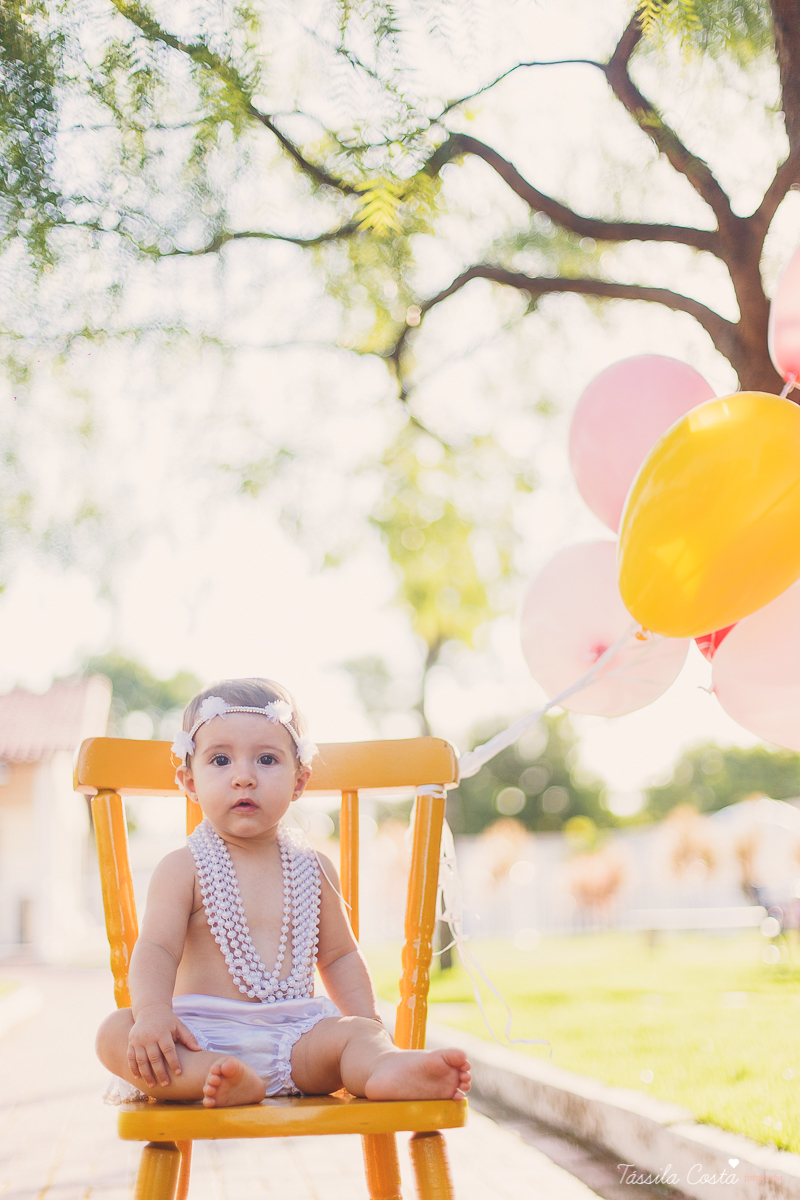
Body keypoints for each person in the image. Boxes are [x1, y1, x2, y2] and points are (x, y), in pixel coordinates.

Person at [96, 678, 471, 1108]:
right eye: (220, 759)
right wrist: (153, 1013)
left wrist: (366, 1026)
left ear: (299, 781)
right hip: (198, 1038)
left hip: (295, 1042)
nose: (243, 777)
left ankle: (385, 1067)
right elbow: (157, 948)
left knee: (358, 1035)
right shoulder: (183, 868)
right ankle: (221, 1080)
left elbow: (340, 956)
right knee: (114, 1033)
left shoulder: (313, 868)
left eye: (267, 760)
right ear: (190, 782)